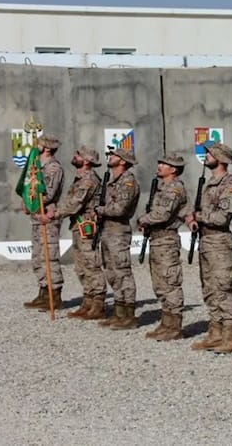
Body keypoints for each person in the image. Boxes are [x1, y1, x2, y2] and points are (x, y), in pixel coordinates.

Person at [187, 143, 232, 354]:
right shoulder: (209, 182)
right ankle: (215, 332)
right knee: (209, 289)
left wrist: (199, 217)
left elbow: (221, 217)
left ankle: (228, 337)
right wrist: (193, 221)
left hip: (219, 242)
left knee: (222, 288)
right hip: (206, 241)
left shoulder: (229, 184)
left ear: (219, 157)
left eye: (209, 153)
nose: (206, 156)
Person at [42, 147, 107, 320]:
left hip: (87, 227)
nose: (74, 156)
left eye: (78, 155)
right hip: (78, 226)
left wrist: (53, 214)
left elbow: (75, 203)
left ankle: (98, 304)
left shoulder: (88, 180)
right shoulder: (80, 179)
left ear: (86, 161)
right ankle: (88, 301)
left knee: (91, 264)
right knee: (81, 266)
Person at [138, 154, 189, 341]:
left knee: (170, 283)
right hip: (156, 239)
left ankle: (175, 326)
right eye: (160, 162)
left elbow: (162, 214)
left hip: (167, 240)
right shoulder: (161, 188)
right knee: (160, 284)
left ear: (173, 169)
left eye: (164, 164)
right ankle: (166, 322)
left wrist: (143, 219)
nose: (159, 165)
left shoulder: (175, 188)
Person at [96, 148, 140, 330]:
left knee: (122, 272)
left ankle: (129, 315)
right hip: (106, 230)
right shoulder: (111, 181)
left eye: (113, 156)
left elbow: (120, 208)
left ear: (122, 161)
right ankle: (119, 312)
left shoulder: (128, 182)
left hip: (118, 230)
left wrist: (101, 210)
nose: (109, 157)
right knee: (111, 272)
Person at [23, 136, 65, 311]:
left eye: (39, 144)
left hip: (48, 215)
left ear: (47, 148)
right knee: (38, 257)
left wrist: (31, 202)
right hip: (37, 215)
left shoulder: (53, 168)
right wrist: (28, 204)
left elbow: (48, 193)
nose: (35, 146)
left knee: (49, 256)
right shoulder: (38, 167)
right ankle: (43, 292)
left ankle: (54, 295)